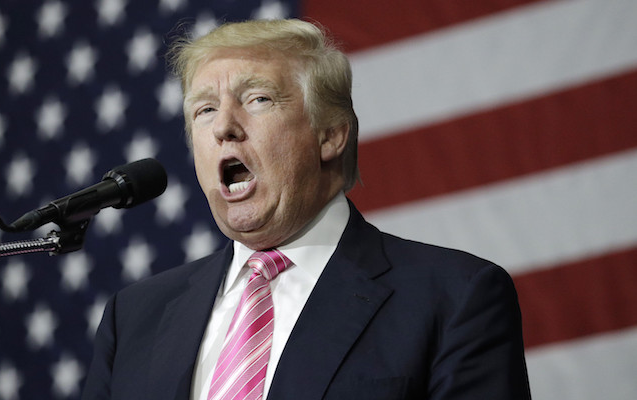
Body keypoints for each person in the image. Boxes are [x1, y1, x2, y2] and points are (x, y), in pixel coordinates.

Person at [82, 19, 531, 399]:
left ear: (330, 135)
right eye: (204, 109)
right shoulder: (134, 318)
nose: (223, 127)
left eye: (258, 99)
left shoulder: (454, 298)